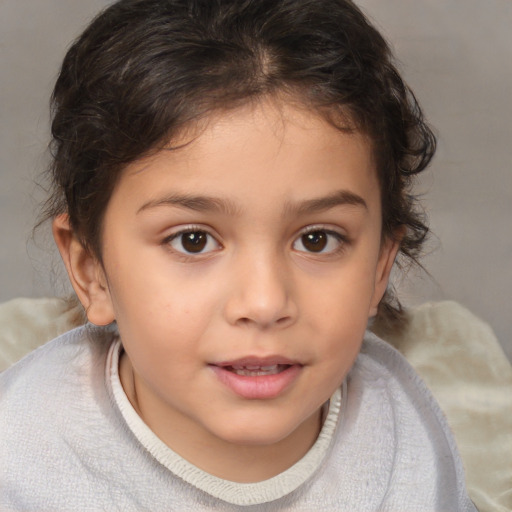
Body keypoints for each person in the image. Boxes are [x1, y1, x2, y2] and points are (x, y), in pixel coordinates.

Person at [0, 0, 478, 510]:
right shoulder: (27, 463)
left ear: (380, 267)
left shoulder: (404, 440)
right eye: (193, 240)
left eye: (317, 239)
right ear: (90, 270)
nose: (265, 301)